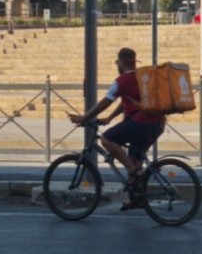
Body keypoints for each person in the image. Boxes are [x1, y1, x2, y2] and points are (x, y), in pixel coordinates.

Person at [70, 47, 166, 211]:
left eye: (118, 62)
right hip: (156, 124)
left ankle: (132, 171)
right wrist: (110, 118)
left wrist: (84, 117)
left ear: (121, 62)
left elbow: (105, 102)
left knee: (106, 139)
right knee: (135, 160)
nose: (118, 65)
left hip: (141, 123)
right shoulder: (141, 78)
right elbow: (126, 102)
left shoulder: (122, 80)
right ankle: (137, 199)